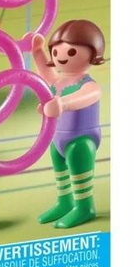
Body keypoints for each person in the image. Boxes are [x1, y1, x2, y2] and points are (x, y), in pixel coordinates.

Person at [28, 19, 106, 228]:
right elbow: (46, 73)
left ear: (93, 52)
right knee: (60, 171)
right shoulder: (58, 81)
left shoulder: (89, 85)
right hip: (57, 138)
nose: (61, 57)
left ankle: (84, 207)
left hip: (81, 140)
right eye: (55, 51)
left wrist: (62, 104)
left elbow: (86, 97)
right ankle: (65, 202)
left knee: (79, 173)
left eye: (72, 52)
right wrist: (37, 52)